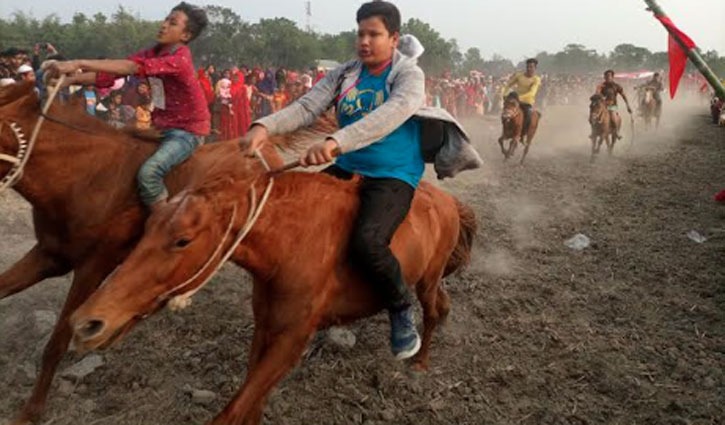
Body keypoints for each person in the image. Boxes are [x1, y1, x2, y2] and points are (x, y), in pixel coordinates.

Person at [241, 1, 481, 360]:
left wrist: (336, 141)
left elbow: (390, 115)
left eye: (374, 34)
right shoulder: (344, 73)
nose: (364, 41)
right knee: (296, 222)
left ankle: (400, 309)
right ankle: (310, 303)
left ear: (393, 38)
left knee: (368, 242)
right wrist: (264, 126)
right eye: (360, 33)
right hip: (348, 163)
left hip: (391, 173)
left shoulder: (407, 74)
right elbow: (308, 106)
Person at [45, 2, 210, 211]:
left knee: (149, 174)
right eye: (166, 19)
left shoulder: (180, 59)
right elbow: (111, 73)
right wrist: (69, 81)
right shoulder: (153, 53)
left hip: (186, 133)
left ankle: (164, 224)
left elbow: (132, 67)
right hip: (160, 128)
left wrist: (78, 63)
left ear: (185, 35)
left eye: (172, 23)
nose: (164, 24)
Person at [502, 58, 541, 134]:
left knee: (529, 114)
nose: (529, 69)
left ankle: (524, 132)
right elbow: (508, 85)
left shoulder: (536, 79)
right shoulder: (519, 75)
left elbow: (532, 93)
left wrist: (519, 98)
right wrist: (505, 94)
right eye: (528, 67)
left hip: (527, 102)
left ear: (535, 68)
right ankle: (505, 132)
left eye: (531, 67)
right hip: (515, 100)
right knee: (505, 112)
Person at [596, 70, 633, 140]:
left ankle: (616, 132)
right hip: (602, 106)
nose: (607, 78)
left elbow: (624, 96)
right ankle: (594, 132)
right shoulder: (601, 86)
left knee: (613, 116)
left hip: (612, 105)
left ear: (612, 77)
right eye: (606, 76)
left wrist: (628, 106)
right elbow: (597, 93)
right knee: (594, 115)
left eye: (609, 76)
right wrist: (598, 94)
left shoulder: (616, 86)